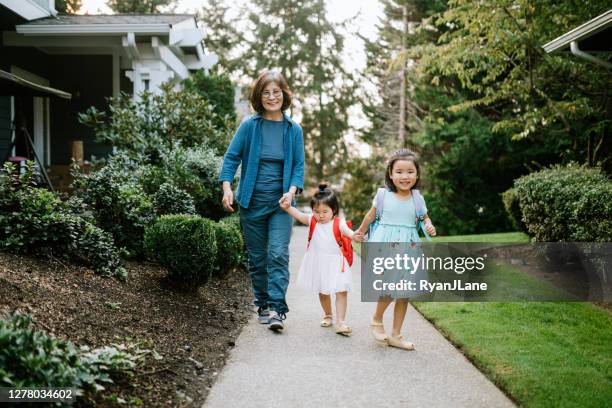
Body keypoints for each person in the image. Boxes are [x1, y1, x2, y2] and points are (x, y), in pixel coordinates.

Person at [219, 70, 304, 332]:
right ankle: (263, 303)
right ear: (259, 97)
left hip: (281, 204)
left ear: (284, 95)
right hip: (252, 202)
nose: (271, 97)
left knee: (278, 253)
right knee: (257, 258)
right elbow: (232, 157)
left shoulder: (293, 129)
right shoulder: (249, 126)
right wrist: (226, 187)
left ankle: (277, 308)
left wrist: (291, 192)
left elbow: (299, 166)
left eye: (276, 92)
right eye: (266, 92)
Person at [355, 149, 436, 350]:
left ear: (417, 175)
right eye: (399, 171)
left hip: (409, 247)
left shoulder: (417, 198)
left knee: (404, 292)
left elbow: (424, 218)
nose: (404, 176)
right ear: (390, 174)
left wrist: (429, 225)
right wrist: (360, 231)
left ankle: (396, 335)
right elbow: (370, 216)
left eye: (410, 171)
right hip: (386, 247)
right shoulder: (383, 195)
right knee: (390, 288)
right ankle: (376, 319)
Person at [280, 184, 357, 336]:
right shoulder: (312, 221)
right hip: (319, 263)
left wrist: (355, 236)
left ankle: (341, 322)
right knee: (323, 291)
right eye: (316, 211)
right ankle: (328, 314)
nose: (320, 215)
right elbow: (299, 215)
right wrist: (287, 208)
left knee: (341, 291)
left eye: (325, 212)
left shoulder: (338, 223)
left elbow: (349, 233)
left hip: (336, 264)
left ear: (333, 210)